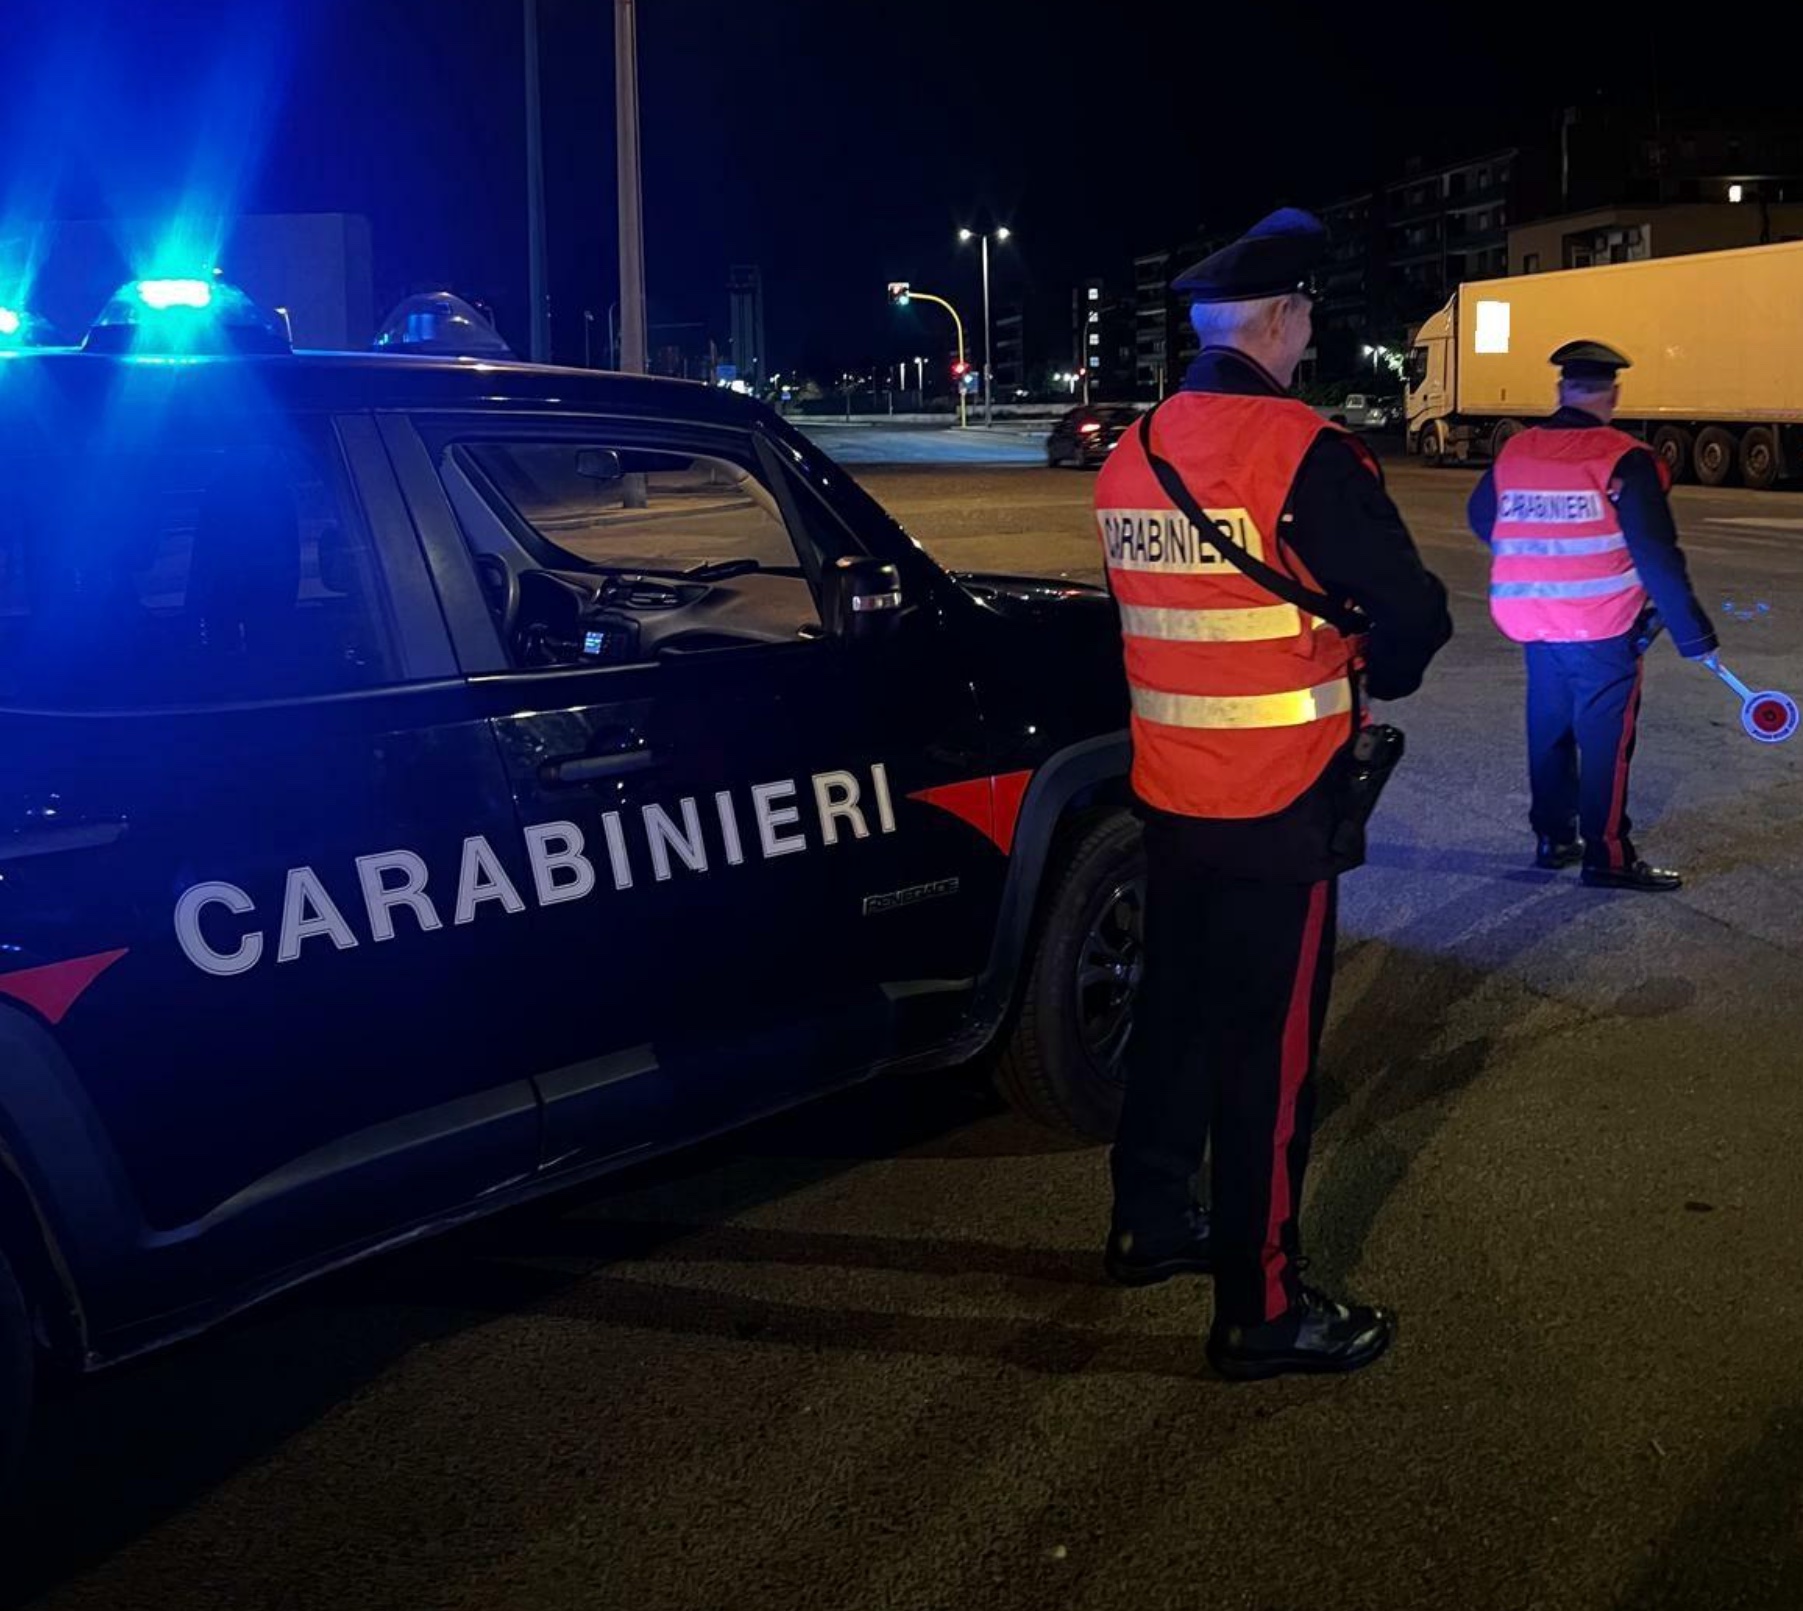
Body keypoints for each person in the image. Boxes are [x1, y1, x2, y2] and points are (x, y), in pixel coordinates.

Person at [1094, 209, 1452, 1380]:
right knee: (1268, 1052)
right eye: (1306, 317)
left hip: (1168, 789)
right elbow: (1411, 614)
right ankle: (1262, 1307)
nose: (1310, 335)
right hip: (1279, 799)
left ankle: (1149, 1221)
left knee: (1174, 1014)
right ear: (1280, 320)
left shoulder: (1134, 448)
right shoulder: (1303, 449)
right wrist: (1378, 663)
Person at [1467, 341, 1717, 890]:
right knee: (1606, 743)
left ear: (1562, 390)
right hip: (1602, 628)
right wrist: (1693, 634)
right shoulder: (1625, 458)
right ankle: (1608, 856)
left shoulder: (1518, 450)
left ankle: (1553, 838)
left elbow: (1482, 515)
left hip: (1534, 620)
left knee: (1549, 731)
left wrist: (1537, 554)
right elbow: (1655, 552)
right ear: (1614, 395)